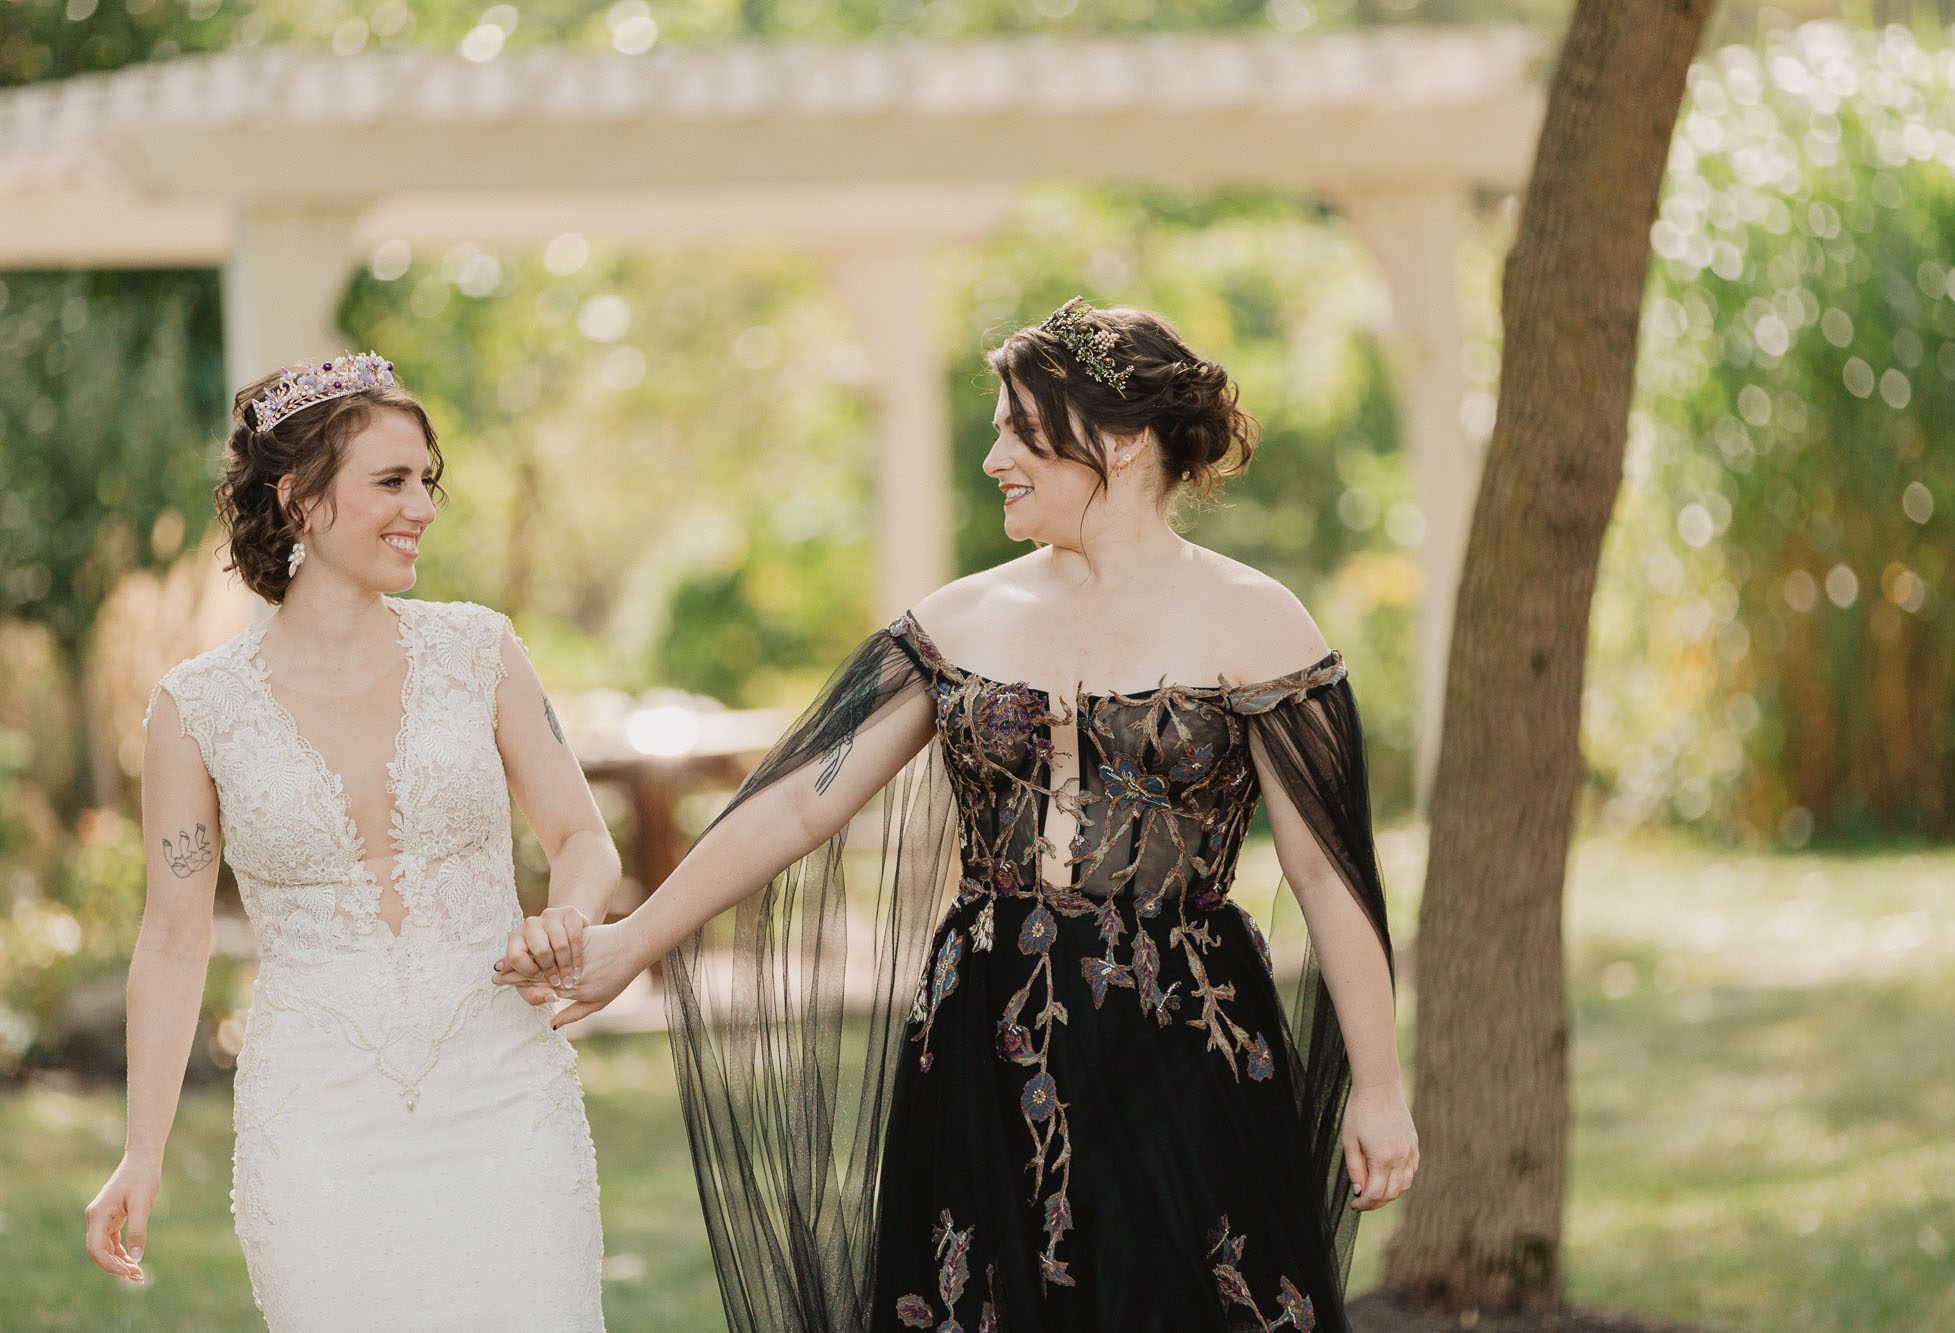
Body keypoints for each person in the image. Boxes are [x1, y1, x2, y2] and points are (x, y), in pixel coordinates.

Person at [503, 300, 1416, 1331]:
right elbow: (795, 806)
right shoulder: (957, 620)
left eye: (1018, 432)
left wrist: (1377, 1084)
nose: (992, 459)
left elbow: (1324, 872)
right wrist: (634, 939)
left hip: (1186, 1037)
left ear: (1116, 440)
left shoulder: (1258, 619)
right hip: (985, 1031)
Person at [85, 353, 614, 1330]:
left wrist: (567, 915)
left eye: (426, 479)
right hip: (317, 1121)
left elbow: (582, 833)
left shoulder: (478, 649)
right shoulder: (195, 709)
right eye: (390, 481)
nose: (421, 505)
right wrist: (141, 1151)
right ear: (299, 498)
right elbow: (171, 939)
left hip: (505, 1097)